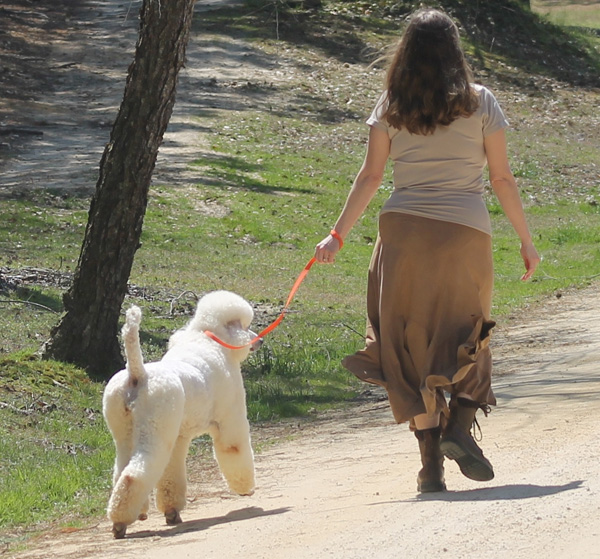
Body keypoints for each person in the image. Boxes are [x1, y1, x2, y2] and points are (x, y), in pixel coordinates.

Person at [314, 8, 540, 493]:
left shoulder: (391, 104)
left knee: (407, 346)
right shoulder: (481, 102)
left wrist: (337, 234)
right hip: (464, 235)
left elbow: (371, 176)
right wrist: (526, 240)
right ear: (455, 51)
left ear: (406, 53)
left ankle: (430, 468)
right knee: (469, 333)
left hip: (402, 237)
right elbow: (501, 177)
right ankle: (459, 425)